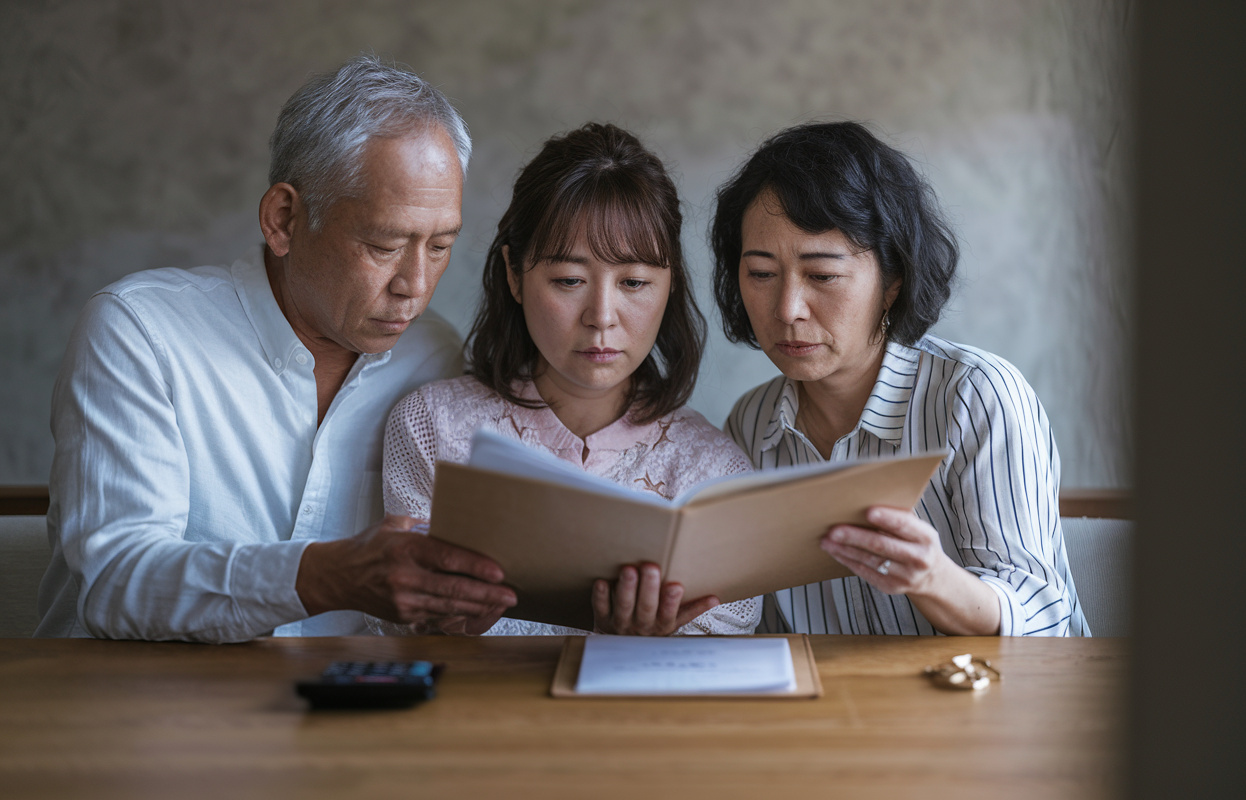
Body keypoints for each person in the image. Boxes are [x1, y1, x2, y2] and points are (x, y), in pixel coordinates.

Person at [35, 55, 518, 642]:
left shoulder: (434, 357)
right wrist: (326, 575)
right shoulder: (140, 331)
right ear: (284, 218)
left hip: (348, 711)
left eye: (440, 246)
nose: (414, 285)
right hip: (138, 714)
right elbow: (113, 582)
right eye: (385, 245)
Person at [378, 122, 760, 636]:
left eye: (634, 282)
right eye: (569, 281)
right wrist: (444, 622)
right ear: (514, 274)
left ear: (670, 285)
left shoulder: (711, 471)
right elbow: (401, 628)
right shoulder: (434, 427)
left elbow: (733, 631)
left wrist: (644, 639)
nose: (601, 316)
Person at [713, 121, 1089, 636]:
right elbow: (762, 632)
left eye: (822, 275)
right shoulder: (750, 425)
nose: (788, 308)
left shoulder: (976, 396)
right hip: (834, 712)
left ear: (893, 279)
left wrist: (933, 579)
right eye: (760, 274)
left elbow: (1043, 616)